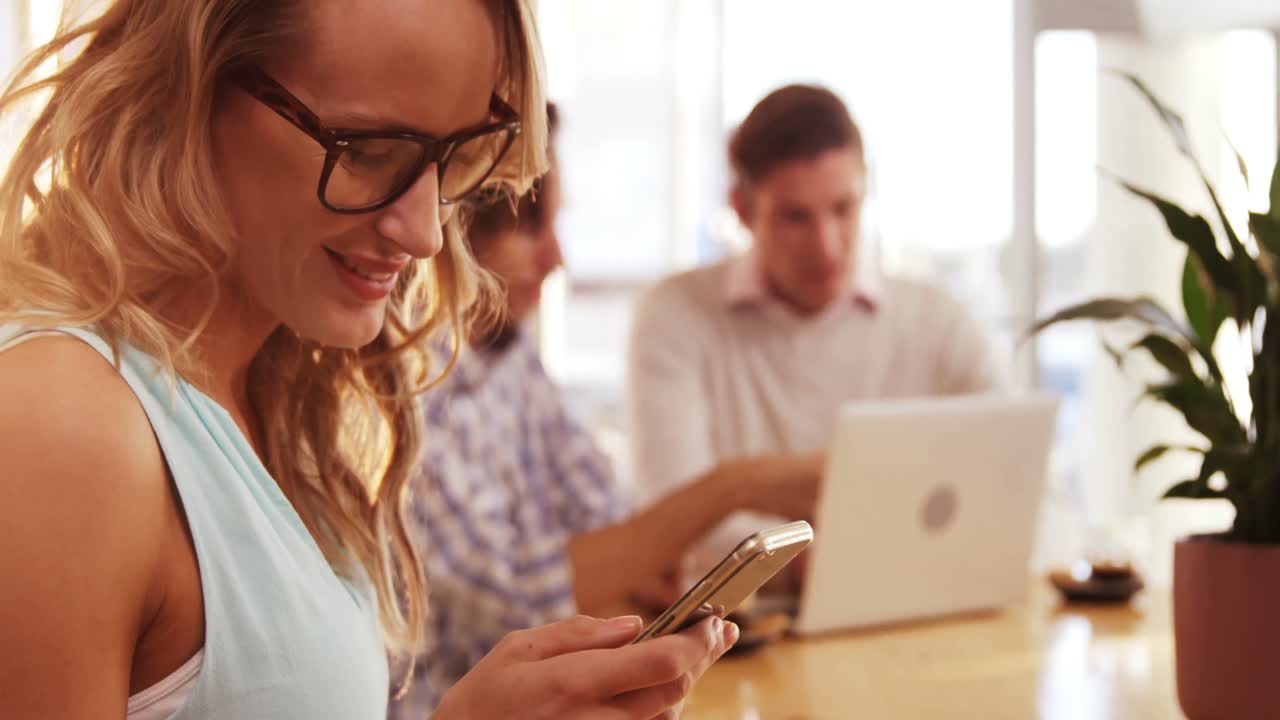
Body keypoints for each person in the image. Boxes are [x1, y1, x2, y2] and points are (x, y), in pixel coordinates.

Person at [0, 2, 734, 718]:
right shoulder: (66, 426)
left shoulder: (268, 399)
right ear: (186, 93)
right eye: (367, 151)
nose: (426, 235)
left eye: (455, 156)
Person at [395, 104, 807, 714]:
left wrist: (644, 569)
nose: (556, 257)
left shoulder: (507, 355)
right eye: (530, 226)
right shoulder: (409, 385)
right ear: (451, 229)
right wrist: (732, 486)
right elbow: (518, 595)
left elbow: (608, 526)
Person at [628, 84, 1006, 560]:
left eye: (844, 209)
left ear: (867, 189)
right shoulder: (676, 315)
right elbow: (670, 518)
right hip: (745, 627)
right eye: (794, 217)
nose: (826, 245)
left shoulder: (938, 320)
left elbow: (1010, 482)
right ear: (742, 210)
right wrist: (838, 561)